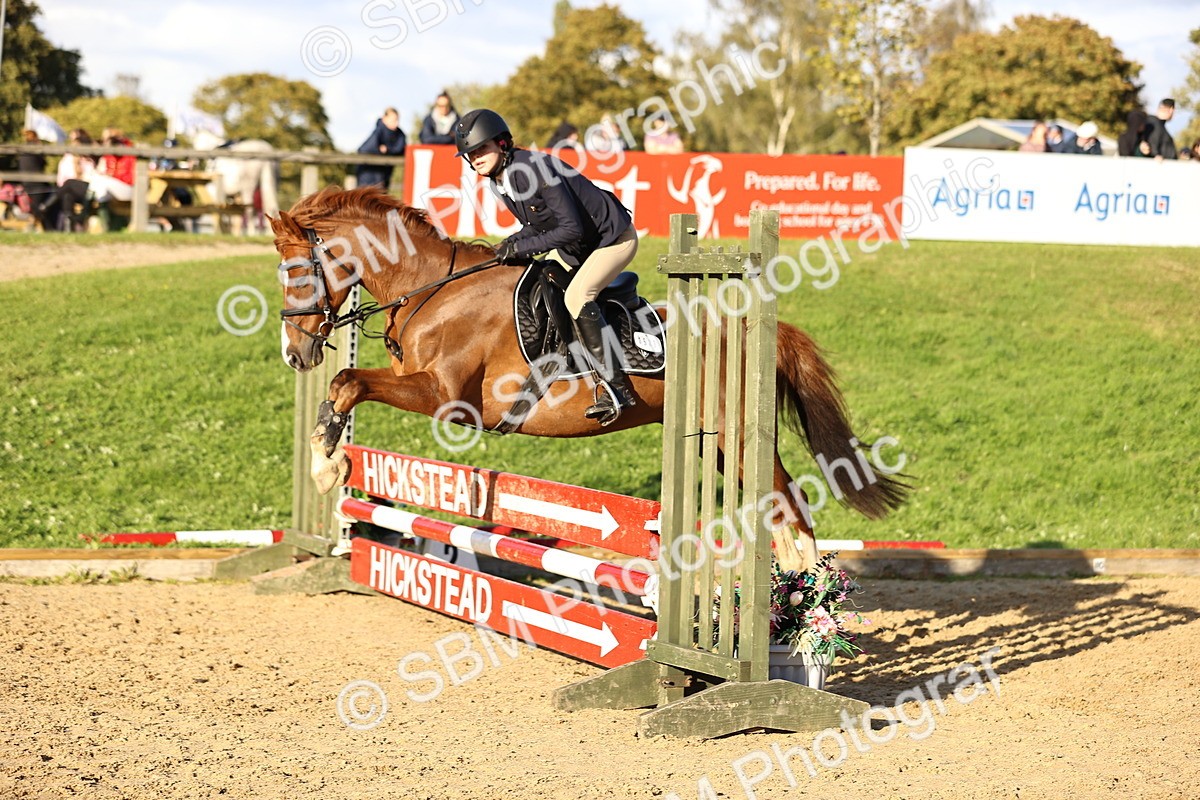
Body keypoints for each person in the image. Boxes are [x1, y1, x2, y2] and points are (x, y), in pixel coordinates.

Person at [455, 108, 638, 424]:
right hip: (577, 250)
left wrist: (520, 245)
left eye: (481, 148)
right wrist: (506, 246)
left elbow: (571, 228)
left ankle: (617, 389)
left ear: (502, 143)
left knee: (577, 297)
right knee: (538, 279)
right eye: (470, 153)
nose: (476, 157)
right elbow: (536, 226)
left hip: (613, 241)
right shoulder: (501, 181)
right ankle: (562, 357)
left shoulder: (534, 169)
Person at [355, 108, 406, 189]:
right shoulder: (379, 131)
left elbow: (400, 149)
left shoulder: (400, 135)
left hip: (383, 176)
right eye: (393, 120)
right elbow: (365, 149)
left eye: (397, 120)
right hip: (369, 174)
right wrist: (380, 150)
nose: (396, 123)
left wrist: (387, 150)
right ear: (384, 118)